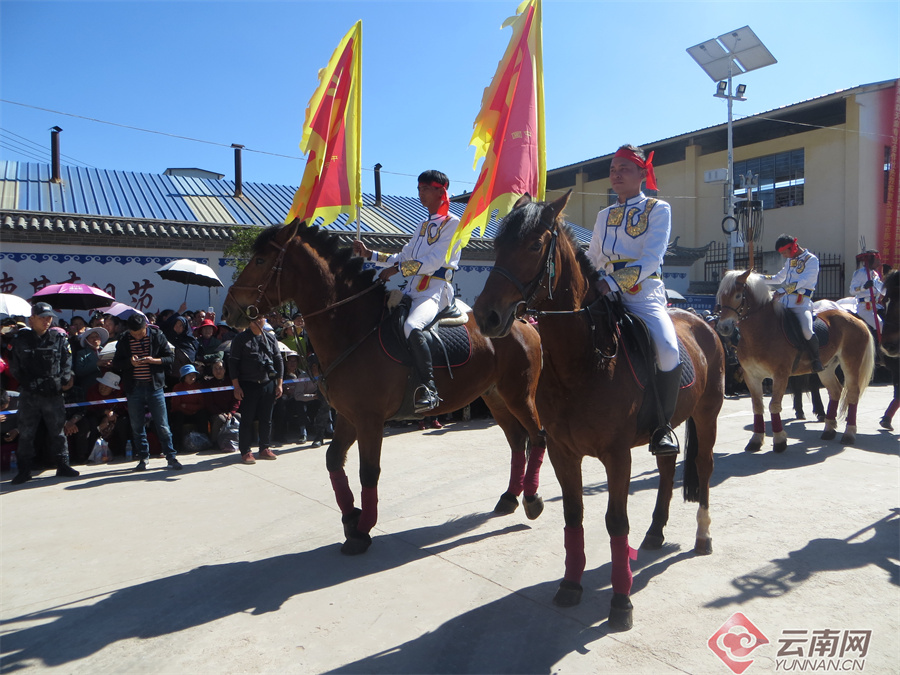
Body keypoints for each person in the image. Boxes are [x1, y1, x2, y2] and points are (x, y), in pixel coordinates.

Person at [586, 144, 682, 455]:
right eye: (612, 169)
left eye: (623, 169)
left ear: (642, 173)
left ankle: (661, 426)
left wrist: (612, 283)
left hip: (642, 296)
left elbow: (652, 259)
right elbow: (593, 258)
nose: (615, 174)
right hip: (603, 292)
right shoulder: (604, 215)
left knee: (667, 350)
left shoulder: (658, 209)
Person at [352, 169, 461, 412]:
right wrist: (370, 254)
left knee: (412, 326)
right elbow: (402, 256)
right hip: (412, 291)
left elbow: (434, 262)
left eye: (424, 189)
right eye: (418, 189)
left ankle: (429, 387)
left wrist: (398, 269)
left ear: (440, 191)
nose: (420, 193)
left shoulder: (453, 224)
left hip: (435, 291)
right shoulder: (423, 225)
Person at [7, 302, 80, 484]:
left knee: (57, 432)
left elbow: (67, 361)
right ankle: (24, 470)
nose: (47, 321)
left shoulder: (58, 338)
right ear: (32, 319)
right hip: (30, 394)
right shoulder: (20, 340)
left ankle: (63, 465)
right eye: (42, 318)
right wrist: (29, 383)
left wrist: (63, 380)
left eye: (49, 318)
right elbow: (15, 367)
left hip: (53, 393)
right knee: (26, 433)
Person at [112, 312, 182, 471]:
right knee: (137, 426)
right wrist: (129, 362)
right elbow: (116, 363)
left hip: (154, 386)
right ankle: (143, 457)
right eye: (134, 334)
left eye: (140, 333)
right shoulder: (124, 339)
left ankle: (171, 456)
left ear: (146, 327)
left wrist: (153, 360)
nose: (137, 336)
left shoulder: (157, 336)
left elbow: (170, 358)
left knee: (162, 424)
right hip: (134, 387)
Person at [763, 233, 823, 372]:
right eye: (781, 253)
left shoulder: (811, 260)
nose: (783, 255)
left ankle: (816, 359)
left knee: (807, 331)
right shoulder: (790, 261)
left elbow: (803, 281)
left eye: (784, 252)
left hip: (801, 303)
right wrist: (758, 277)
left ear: (793, 247)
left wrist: (783, 290)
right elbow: (778, 278)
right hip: (784, 303)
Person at [229, 313, 283, 464]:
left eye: (261, 318)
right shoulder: (240, 339)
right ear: (249, 321)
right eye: (255, 318)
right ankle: (245, 450)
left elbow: (279, 361)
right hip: (248, 384)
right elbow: (233, 364)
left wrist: (279, 384)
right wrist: (236, 386)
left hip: (268, 383)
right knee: (247, 419)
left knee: (266, 418)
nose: (259, 320)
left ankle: (265, 447)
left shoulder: (270, 338)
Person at [848, 250, 883, 332]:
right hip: (865, 307)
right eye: (877, 260)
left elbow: (882, 290)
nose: (879, 263)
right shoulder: (860, 273)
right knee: (881, 326)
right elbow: (852, 290)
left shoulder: (875, 274)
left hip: (876, 305)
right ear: (871, 260)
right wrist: (864, 287)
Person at [73, 326, 109, 390]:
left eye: (97, 336)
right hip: (91, 386)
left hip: (107, 386)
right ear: (86, 341)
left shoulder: (107, 350)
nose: (95, 339)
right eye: (92, 337)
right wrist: (96, 364)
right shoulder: (82, 353)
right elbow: (79, 371)